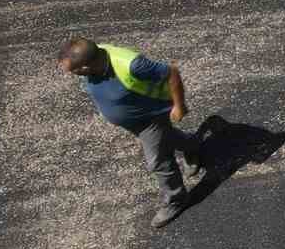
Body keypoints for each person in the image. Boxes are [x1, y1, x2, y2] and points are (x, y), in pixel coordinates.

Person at [57, 38, 205, 228]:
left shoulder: (132, 65)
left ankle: (177, 198)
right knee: (165, 138)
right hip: (133, 120)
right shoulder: (94, 56)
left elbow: (171, 72)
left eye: (74, 71)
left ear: (86, 67)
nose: (72, 75)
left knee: (158, 160)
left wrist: (179, 105)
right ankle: (193, 146)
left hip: (150, 118)